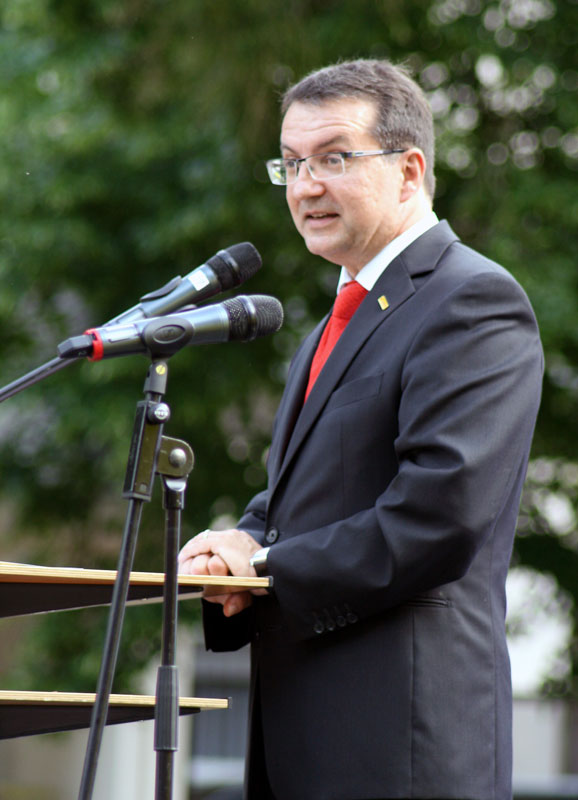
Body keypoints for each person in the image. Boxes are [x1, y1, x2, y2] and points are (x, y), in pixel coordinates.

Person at [178, 59, 543, 800]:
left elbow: (437, 515)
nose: (306, 185)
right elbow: (311, 492)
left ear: (410, 172)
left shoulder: (472, 301)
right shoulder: (331, 327)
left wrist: (269, 569)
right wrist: (244, 539)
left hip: (401, 741)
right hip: (305, 734)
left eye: (334, 158)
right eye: (290, 164)